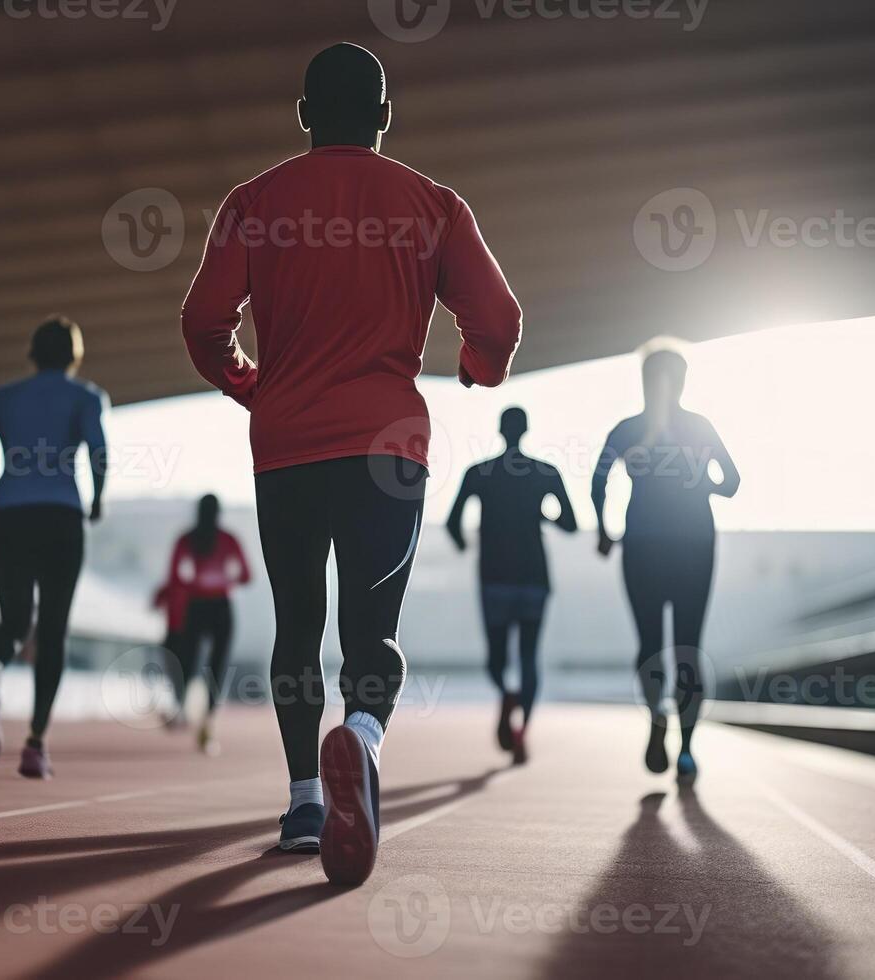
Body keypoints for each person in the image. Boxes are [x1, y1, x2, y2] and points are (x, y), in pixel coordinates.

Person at [181, 42, 523, 884]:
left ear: (302, 116)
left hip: (287, 446)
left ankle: (304, 797)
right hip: (385, 449)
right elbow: (499, 320)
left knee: (297, 624)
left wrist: (248, 384)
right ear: (383, 115)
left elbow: (201, 321)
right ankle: (361, 739)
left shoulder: (252, 201)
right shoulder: (433, 204)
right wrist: (476, 371)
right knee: (372, 632)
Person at [0, 316, 109, 780]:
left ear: (32, 354)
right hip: (61, 515)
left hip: (9, 515)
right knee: (54, 628)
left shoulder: (2, 397)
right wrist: (97, 498)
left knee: (15, 620)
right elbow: (99, 453)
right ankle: (36, 744)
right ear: (72, 357)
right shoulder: (85, 397)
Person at [590, 342, 740, 780]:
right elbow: (732, 483)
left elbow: (598, 481)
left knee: (650, 643)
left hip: (642, 545)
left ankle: (657, 714)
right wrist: (698, 486)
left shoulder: (626, 429)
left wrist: (603, 528)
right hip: (695, 543)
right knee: (689, 646)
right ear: (684, 380)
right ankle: (688, 749)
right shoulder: (700, 427)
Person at [447, 407, 576, 765]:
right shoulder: (545, 472)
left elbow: (453, 522)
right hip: (534, 577)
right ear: (526, 431)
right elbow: (571, 524)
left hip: (494, 577)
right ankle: (523, 729)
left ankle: (505, 694)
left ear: (501, 431)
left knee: (496, 659)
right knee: (529, 656)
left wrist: (463, 546)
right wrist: (540, 514)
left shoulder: (479, 473)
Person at [156, 494, 252, 754]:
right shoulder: (228, 539)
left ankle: (182, 708)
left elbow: (175, 576)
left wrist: (193, 585)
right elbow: (246, 574)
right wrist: (226, 581)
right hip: (221, 605)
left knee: (188, 661)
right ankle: (207, 724)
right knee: (217, 666)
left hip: (196, 606)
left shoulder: (186, 539)